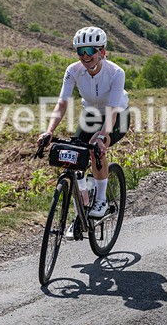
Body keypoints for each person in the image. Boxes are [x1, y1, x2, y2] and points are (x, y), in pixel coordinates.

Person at [37, 26, 130, 222]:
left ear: (102, 52)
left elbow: (112, 110)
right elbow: (62, 104)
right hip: (91, 114)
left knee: (96, 148)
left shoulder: (116, 73)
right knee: (73, 155)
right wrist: (49, 131)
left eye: (90, 51)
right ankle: (81, 212)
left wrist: (103, 137)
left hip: (117, 115)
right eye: (81, 51)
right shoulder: (73, 71)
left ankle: (102, 199)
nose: (85, 56)